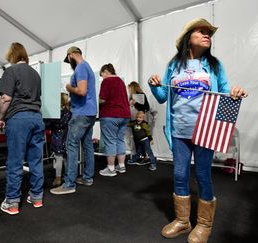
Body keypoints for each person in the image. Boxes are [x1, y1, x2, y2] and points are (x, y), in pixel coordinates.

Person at [148, 18, 248, 242]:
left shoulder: (214, 65)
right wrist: (153, 85)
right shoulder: (174, 65)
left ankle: (204, 224)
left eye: (209, 33)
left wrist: (235, 91)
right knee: (179, 175)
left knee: (203, 175)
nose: (207, 35)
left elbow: (224, 92)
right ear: (187, 39)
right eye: (201, 32)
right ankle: (183, 221)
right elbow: (163, 97)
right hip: (179, 132)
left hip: (206, 130)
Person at [0, 42, 45, 215]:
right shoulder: (36, 74)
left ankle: (12, 203)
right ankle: (37, 197)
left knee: (15, 161)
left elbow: (5, 98)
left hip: (18, 119)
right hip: (37, 118)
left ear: (12, 56)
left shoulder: (11, 71)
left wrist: (1, 117)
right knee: (36, 160)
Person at [50, 46, 97, 195]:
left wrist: (69, 87)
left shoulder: (80, 68)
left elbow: (81, 91)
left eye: (68, 59)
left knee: (71, 145)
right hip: (90, 112)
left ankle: (69, 183)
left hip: (81, 114)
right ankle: (88, 178)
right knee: (87, 145)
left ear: (70, 55)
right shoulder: (87, 66)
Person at [97, 63, 131, 177]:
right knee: (120, 140)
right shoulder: (121, 81)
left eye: (102, 75)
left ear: (106, 71)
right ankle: (121, 166)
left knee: (110, 141)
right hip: (124, 115)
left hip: (111, 114)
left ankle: (110, 169)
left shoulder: (106, 81)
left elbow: (102, 100)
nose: (102, 78)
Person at [49, 93, 72, 187]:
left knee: (58, 157)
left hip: (58, 137)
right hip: (66, 136)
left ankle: (58, 178)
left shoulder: (60, 112)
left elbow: (59, 123)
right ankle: (67, 176)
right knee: (66, 157)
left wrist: (50, 122)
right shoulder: (69, 111)